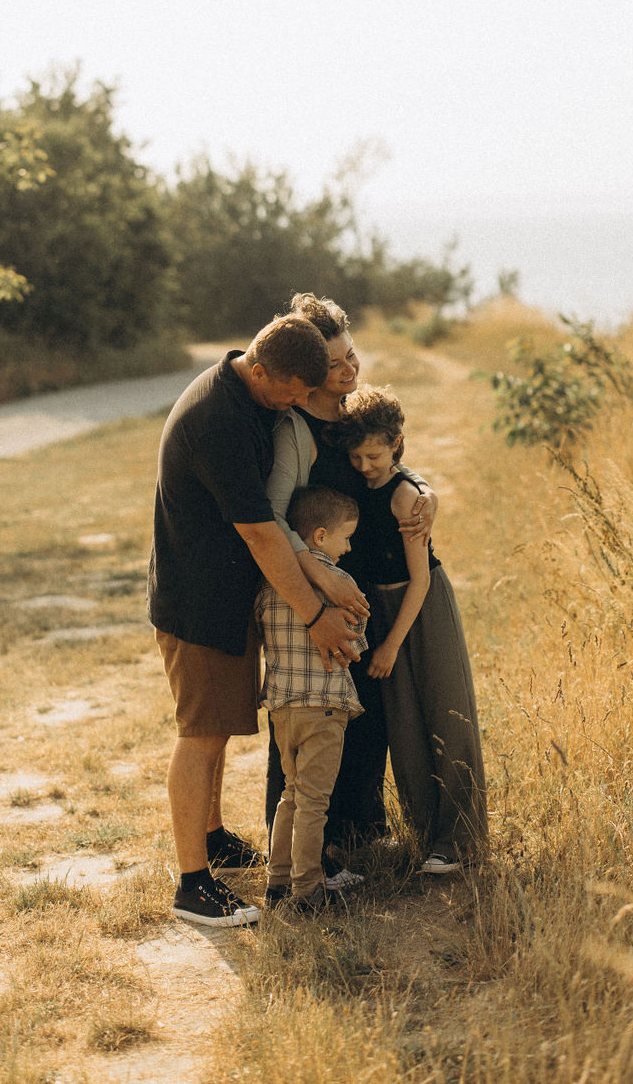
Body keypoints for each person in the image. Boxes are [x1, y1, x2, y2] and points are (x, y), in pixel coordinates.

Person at [148, 315, 364, 927]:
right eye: (291, 393)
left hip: (225, 594)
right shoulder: (218, 419)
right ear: (262, 370)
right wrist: (316, 614)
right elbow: (263, 534)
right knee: (200, 735)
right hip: (197, 600)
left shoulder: (248, 391)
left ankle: (213, 838)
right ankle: (193, 885)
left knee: (216, 726)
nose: (294, 405)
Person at [264, 293, 437, 853]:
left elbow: (388, 459)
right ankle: (302, 848)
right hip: (311, 583)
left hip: (361, 586)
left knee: (363, 709)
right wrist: (320, 580)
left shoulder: (353, 412)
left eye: (352, 356)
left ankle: (359, 833)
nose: (349, 371)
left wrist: (423, 488)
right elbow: (274, 517)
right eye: (334, 364)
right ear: (309, 368)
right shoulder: (294, 429)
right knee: (308, 710)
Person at [328, 384, 488, 873]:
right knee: (404, 723)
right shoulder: (361, 486)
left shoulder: (405, 498)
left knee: (446, 713)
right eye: (356, 457)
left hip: (420, 608)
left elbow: (420, 580)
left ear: (396, 443)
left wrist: (391, 646)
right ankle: (425, 834)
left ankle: (461, 839)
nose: (364, 465)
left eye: (374, 456)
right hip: (380, 608)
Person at [257, 485, 367, 912]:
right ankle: (307, 890)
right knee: (314, 803)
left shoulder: (272, 582)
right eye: (346, 537)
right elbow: (353, 645)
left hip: (283, 708)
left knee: (291, 794)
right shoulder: (340, 585)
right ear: (320, 536)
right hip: (324, 707)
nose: (349, 547)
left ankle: (277, 882)